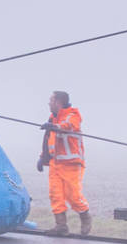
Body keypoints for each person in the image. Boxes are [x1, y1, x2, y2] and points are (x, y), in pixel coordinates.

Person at [36, 90, 91, 236]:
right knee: (56, 195)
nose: (48, 103)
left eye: (51, 100)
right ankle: (61, 226)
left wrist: (55, 127)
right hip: (55, 164)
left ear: (58, 102)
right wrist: (42, 157)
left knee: (73, 196)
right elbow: (48, 140)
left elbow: (68, 126)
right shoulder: (52, 118)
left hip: (71, 164)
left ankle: (85, 217)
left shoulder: (73, 115)